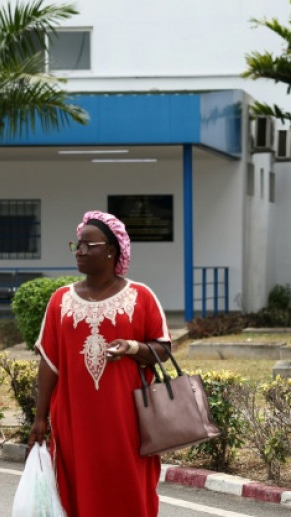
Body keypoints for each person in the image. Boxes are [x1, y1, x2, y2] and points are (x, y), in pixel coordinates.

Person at [28, 210, 172, 517]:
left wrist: (132, 347)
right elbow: (49, 364)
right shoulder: (60, 301)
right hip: (74, 419)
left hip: (127, 420)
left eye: (88, 245)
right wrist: (40, 418)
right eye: (77, 245)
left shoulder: (141, 297)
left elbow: (163, 350)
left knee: (128, 486)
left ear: (111, 250)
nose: (79, 251)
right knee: (77, 487)